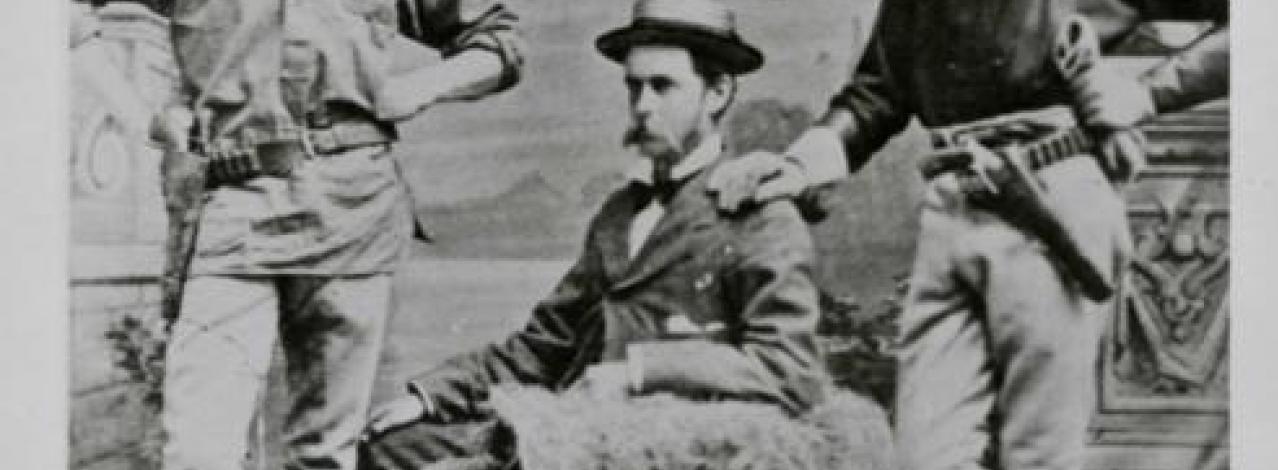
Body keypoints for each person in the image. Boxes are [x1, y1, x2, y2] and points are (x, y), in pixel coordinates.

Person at [703, 1, 1226, 469]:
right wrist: (799, 167)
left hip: (1048, 200)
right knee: (925, 457)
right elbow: (877, 93)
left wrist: (1146, 93)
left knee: (1038, 454)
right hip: (950, 206)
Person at [359, 0, 829, 467]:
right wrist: (429, 396)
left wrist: (639, 371)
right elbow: (543, 346)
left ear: (718, 92)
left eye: (663, 86)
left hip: (671, 450)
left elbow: (790, 372)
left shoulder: (759, 217)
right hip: (578, 434)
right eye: (634, 87)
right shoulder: (620, 215)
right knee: (388, 449)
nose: (643, 107)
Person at [149, 0, 523, 469]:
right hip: (231, 212)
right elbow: (83, 20)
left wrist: (420, 88)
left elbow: (500, 42)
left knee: (325, 454)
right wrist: (155, 112)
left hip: (351, 215)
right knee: (198, 450)